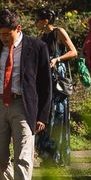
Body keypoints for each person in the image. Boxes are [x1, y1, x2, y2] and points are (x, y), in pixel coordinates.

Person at [0, 9, 52, 180]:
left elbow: (45, 83)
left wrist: (42, 116)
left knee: (23, 156)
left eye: (7, 34)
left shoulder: (37, 47)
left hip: (23, 106)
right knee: (0, 157)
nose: (3, 38)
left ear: (18, 28)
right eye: (0, 34)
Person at [34, 9, 77, 166]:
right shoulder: (40, 37)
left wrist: (57, 59)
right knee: (46, 113)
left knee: (58, 115)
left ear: (45, 21)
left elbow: (74, 52)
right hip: (45, 79)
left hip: (58, 78)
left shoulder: (59, 32)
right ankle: (47, 154)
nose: (35, 22)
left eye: (37, 19)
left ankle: (58, 155)